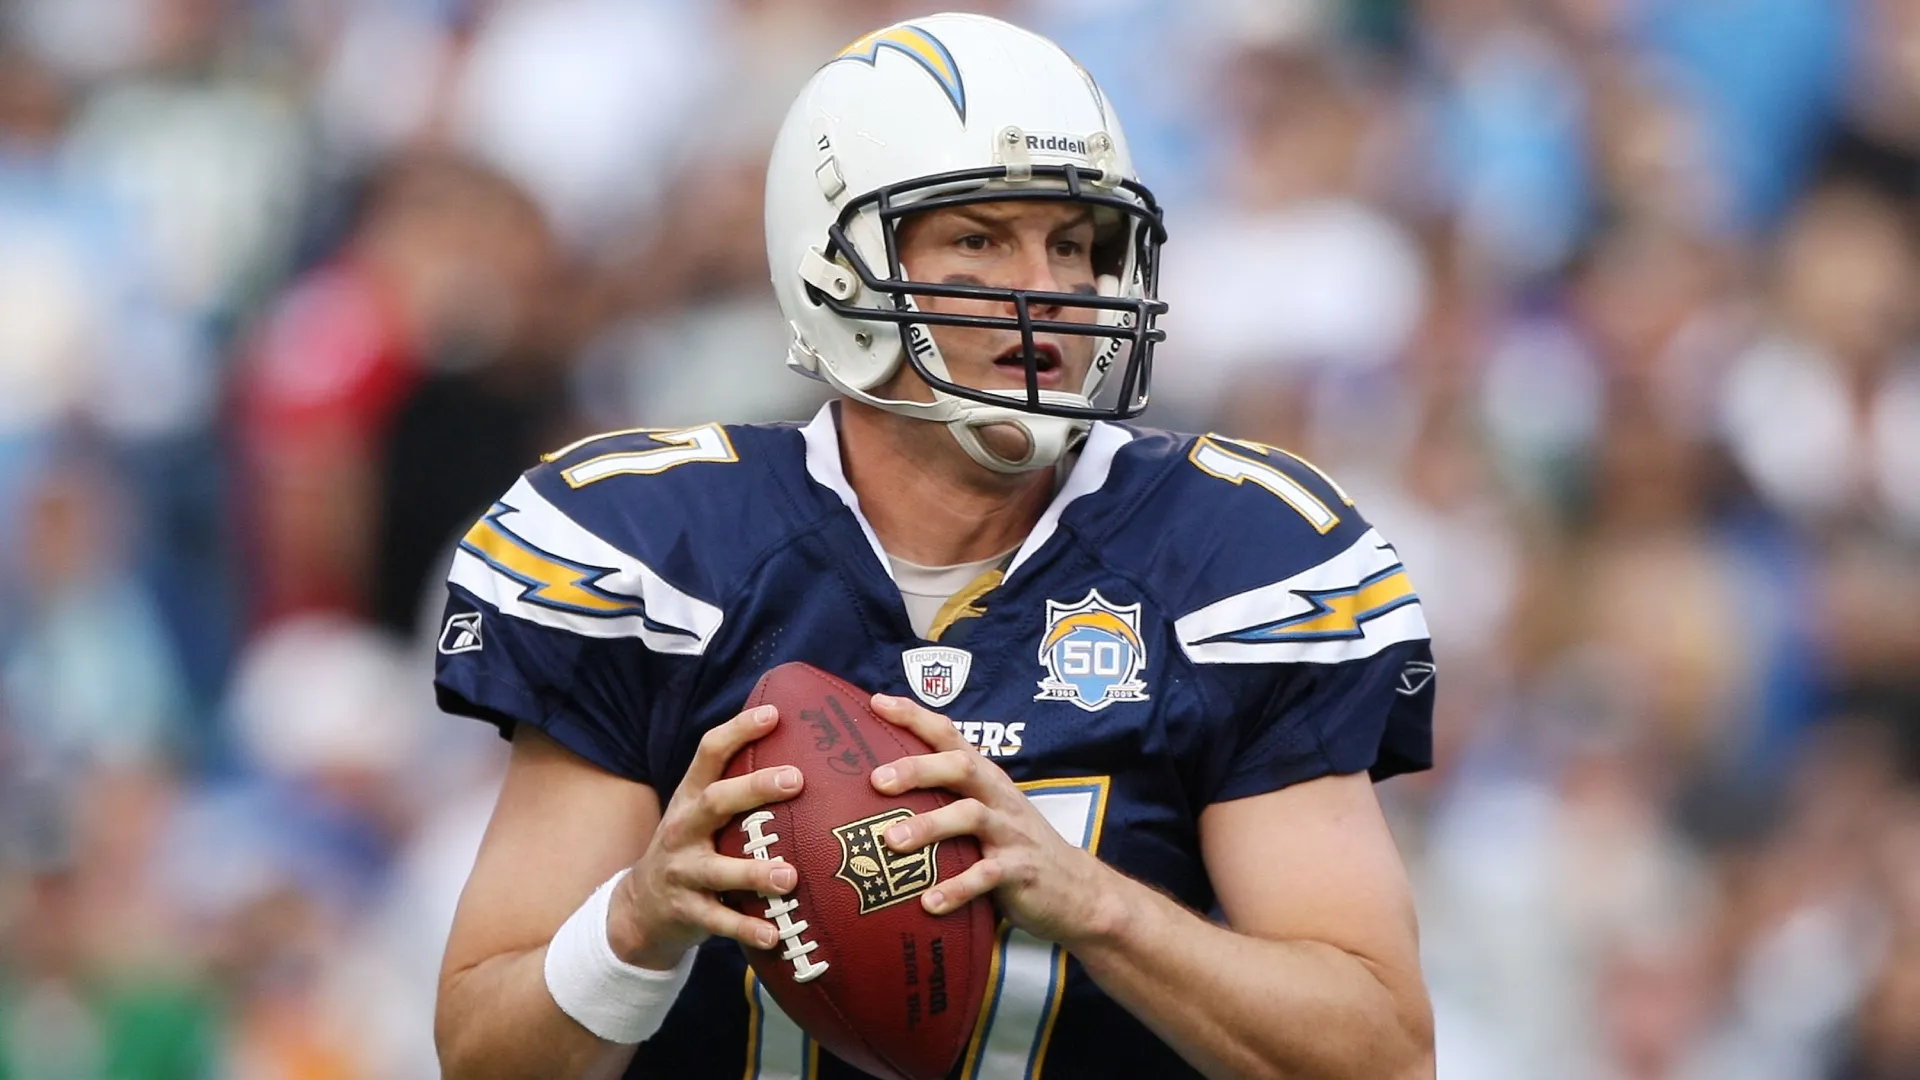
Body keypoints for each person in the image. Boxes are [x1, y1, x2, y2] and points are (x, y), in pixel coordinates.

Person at [432, 12, 1437, 1080]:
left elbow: (1382, 1055)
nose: (1049, 286)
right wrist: (635, 922)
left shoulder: (1235, 556)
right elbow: (484, 1057)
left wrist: (1099, 908)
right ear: (837, 268)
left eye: (1076, 244)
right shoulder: (657, 551)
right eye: (979, 239)